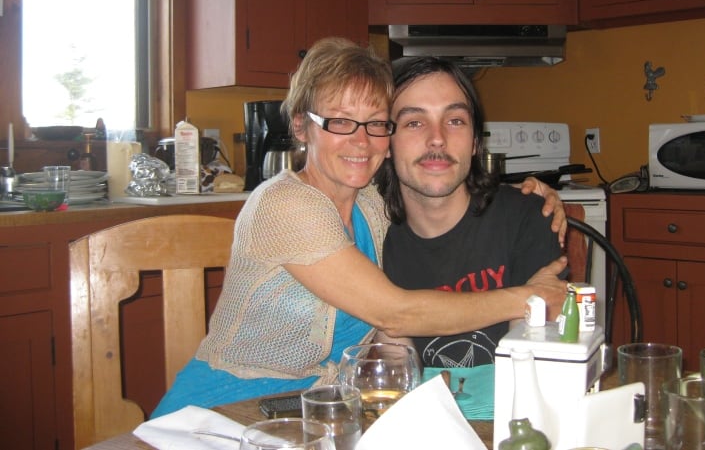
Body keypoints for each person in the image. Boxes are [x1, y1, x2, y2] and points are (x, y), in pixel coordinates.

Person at [152, 37, 567, 417]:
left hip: (305, 419)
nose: (361, 140)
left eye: (374, 122)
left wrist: (532, 195)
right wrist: (529, 297)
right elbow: (396, 313)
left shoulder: (371, 206)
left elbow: (432, 190)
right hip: (217, 415)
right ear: (301, 127)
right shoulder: (284, 204)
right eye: (340, 121)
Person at [375, 56, 566, 367]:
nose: (437, 137)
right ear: (386, 142)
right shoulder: (370, 231)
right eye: (414, 122)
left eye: (455, 121)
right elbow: (396, 365)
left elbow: (530, 352)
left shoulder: (527, 217)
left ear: (476, 141)